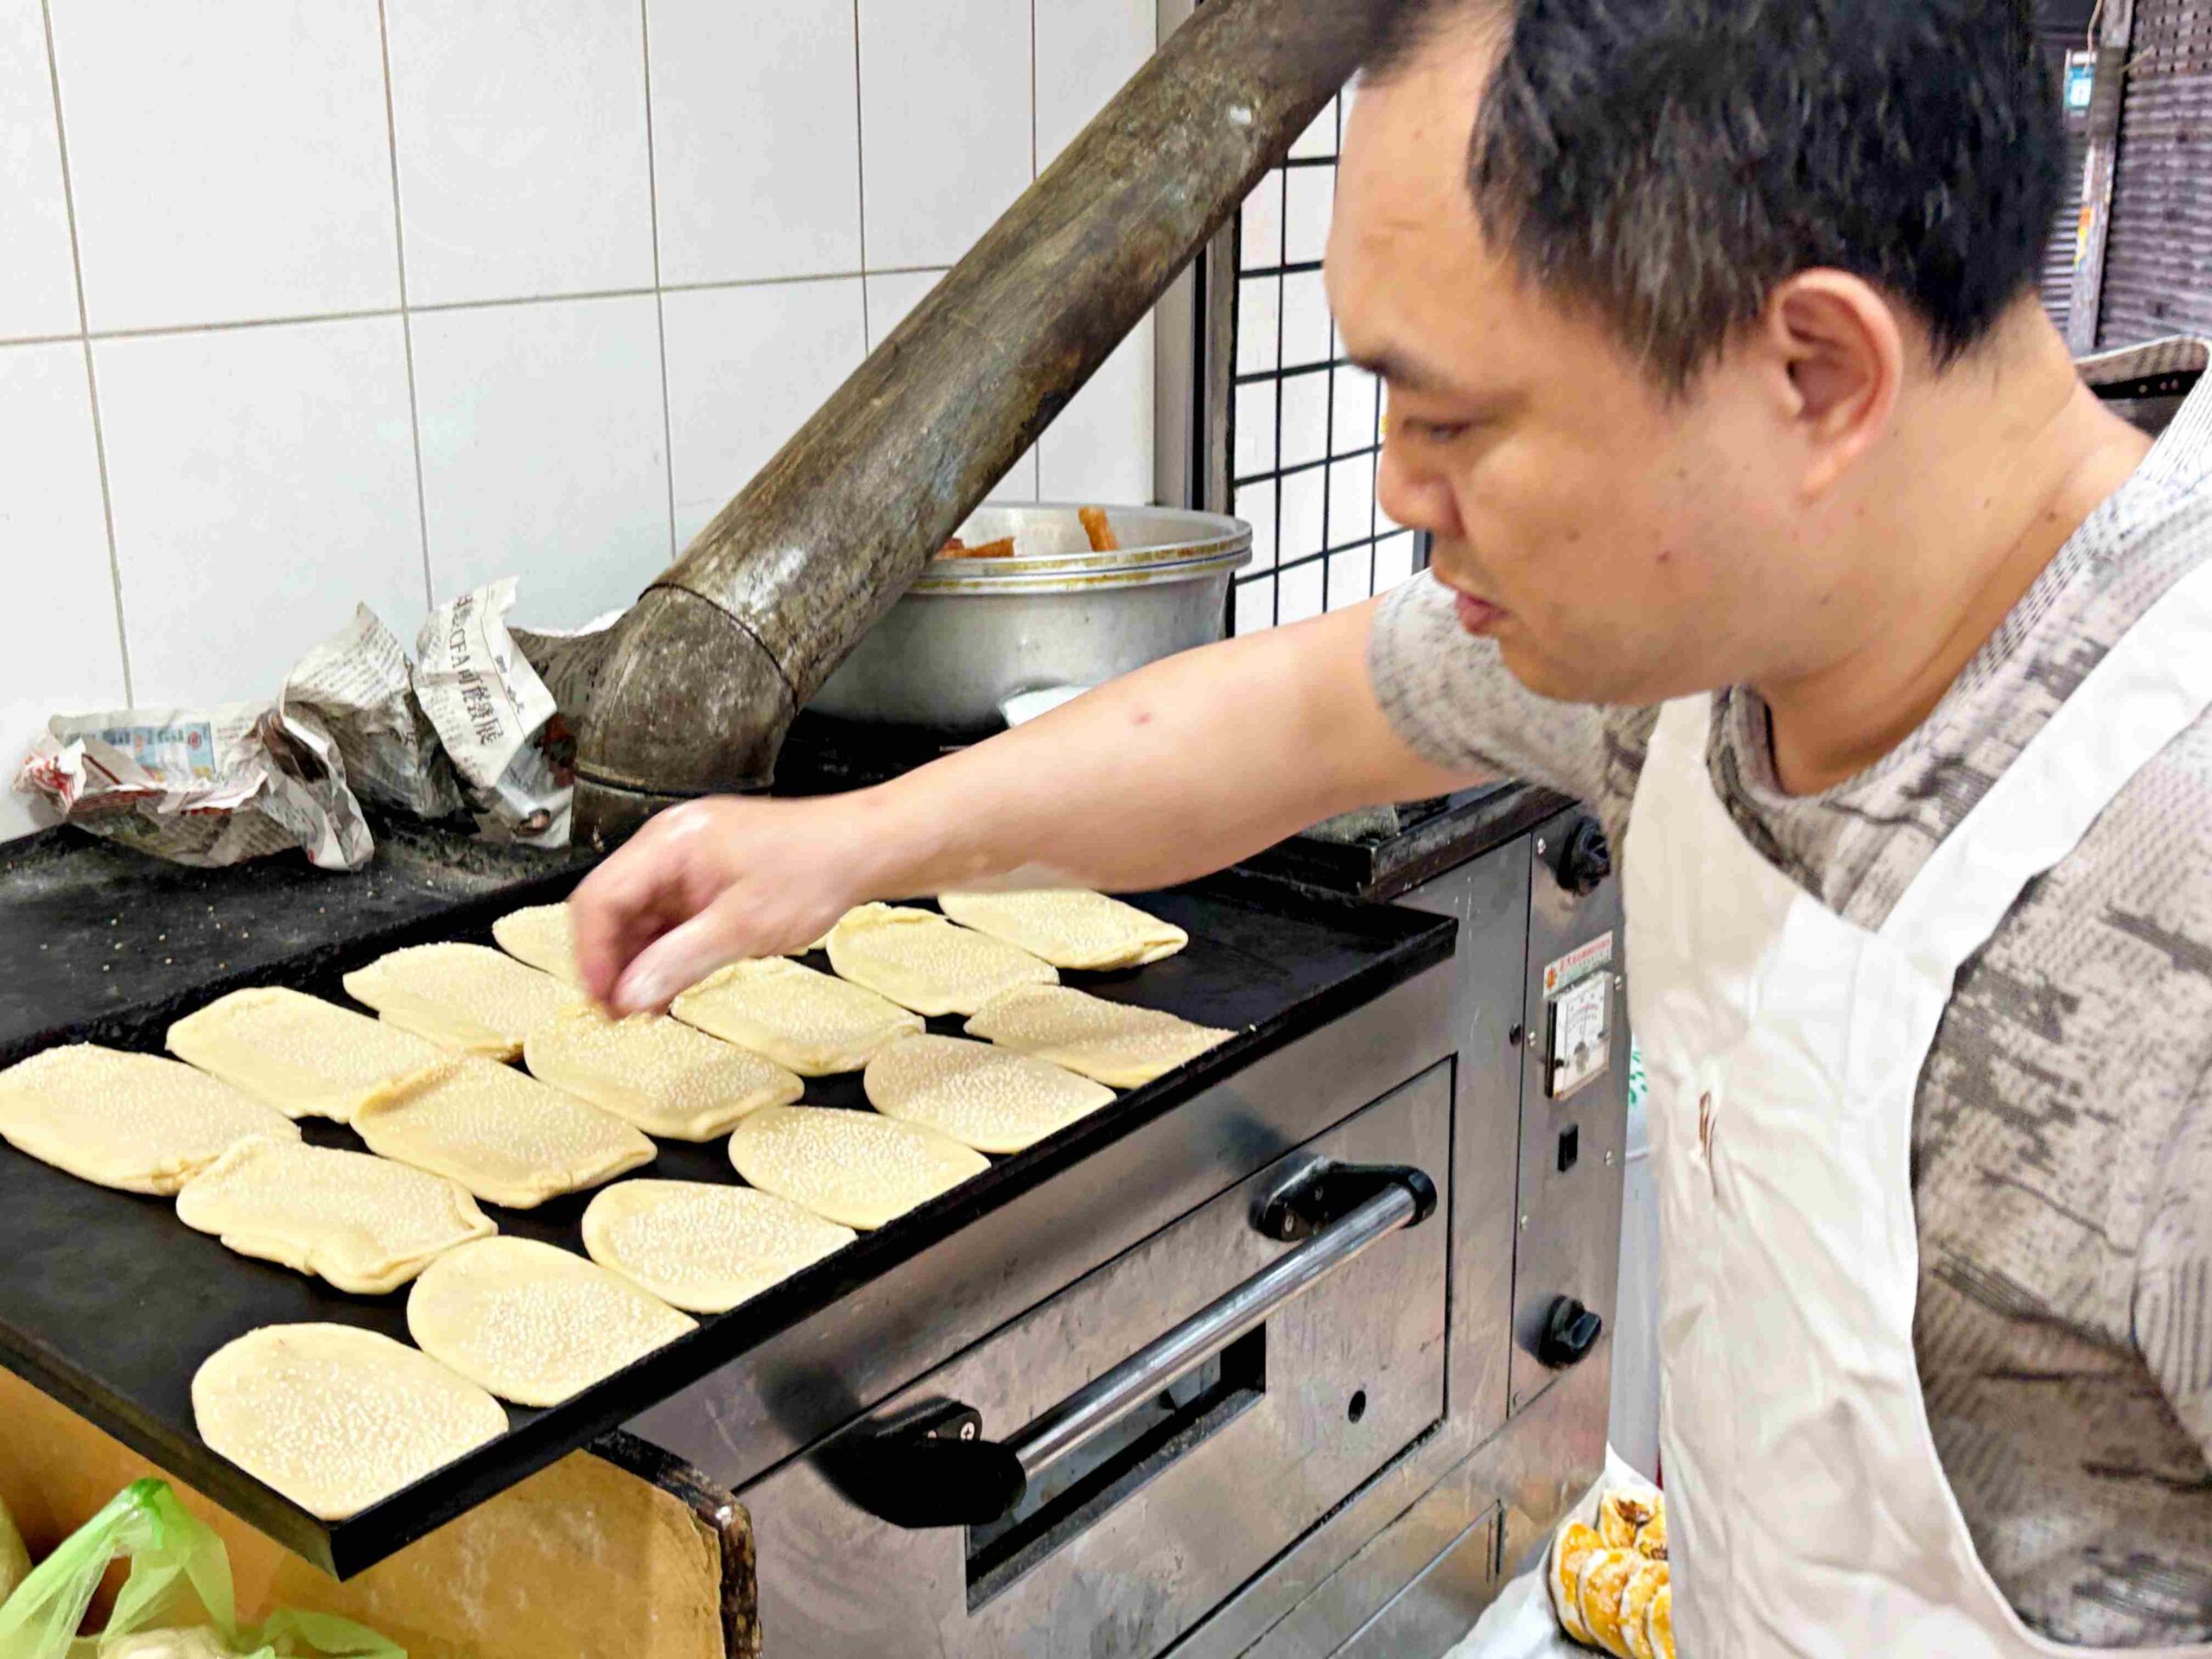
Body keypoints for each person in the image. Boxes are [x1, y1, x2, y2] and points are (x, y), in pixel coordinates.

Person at [573, 0, 2212, 1649]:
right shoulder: (1725, 626)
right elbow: (1291, 715)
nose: (1392, 493)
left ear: (1815, 374)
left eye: (1450, 421)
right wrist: (837, 851)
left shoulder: (2171, 916)